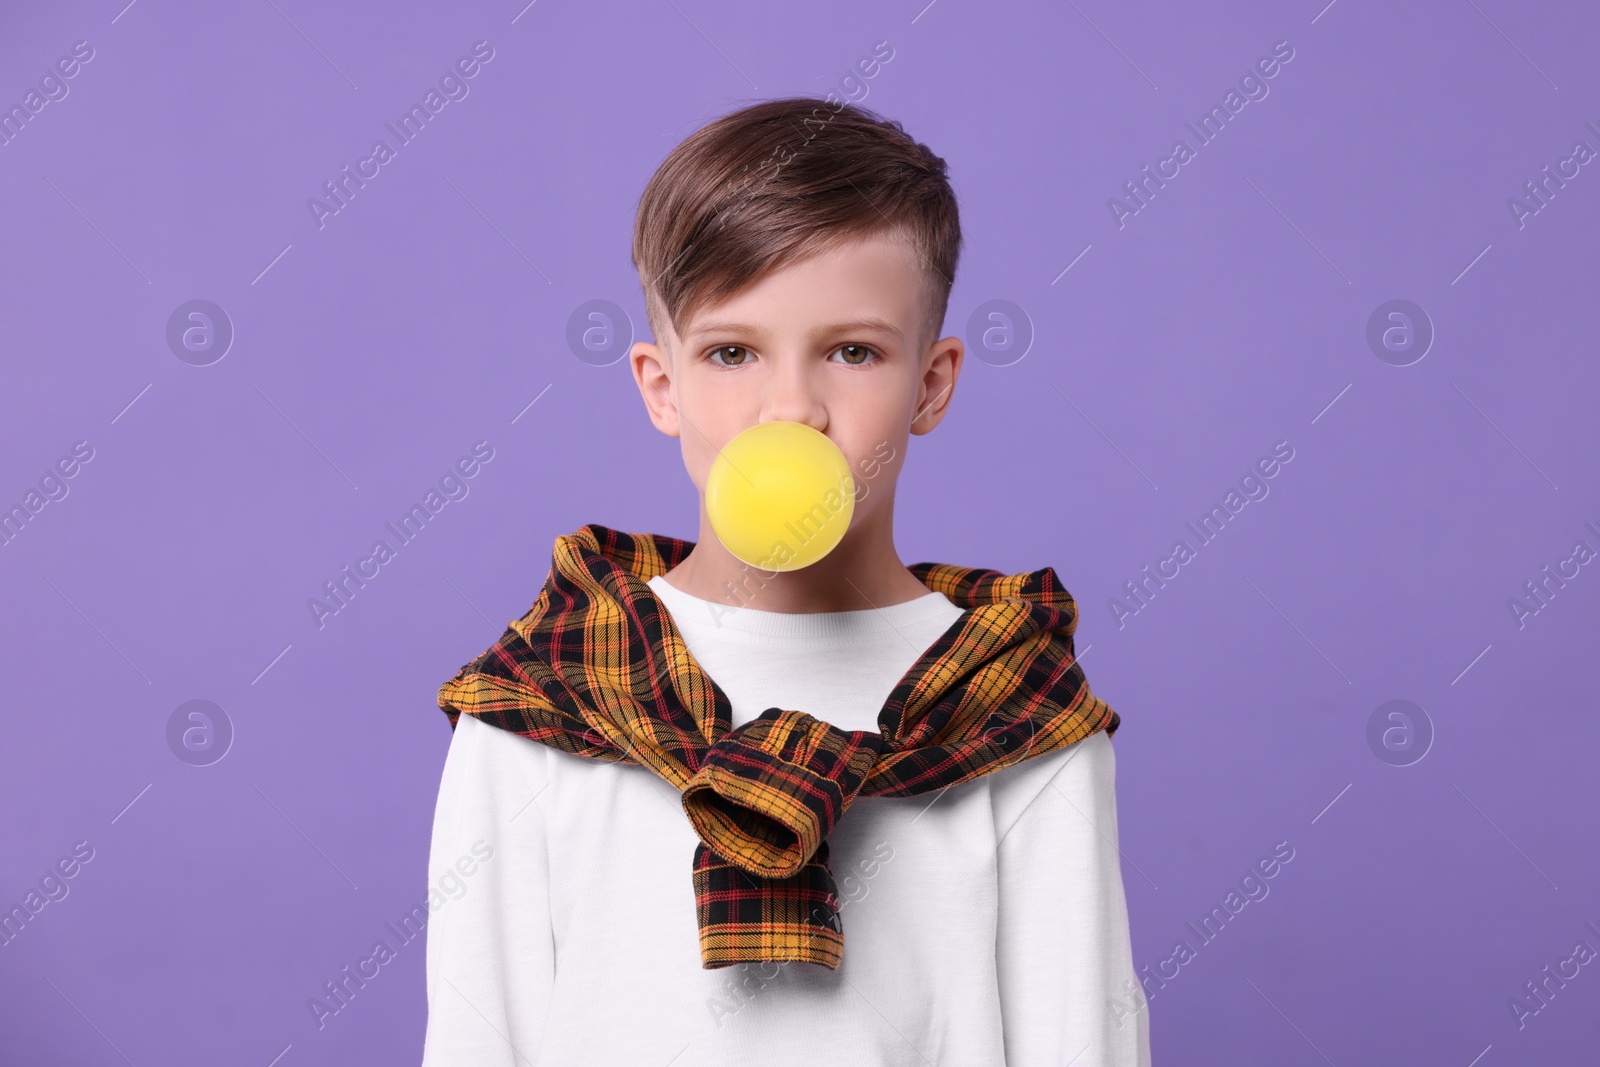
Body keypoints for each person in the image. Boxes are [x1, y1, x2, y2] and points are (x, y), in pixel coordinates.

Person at [421, 96, 1150, 1066]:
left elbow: (1081, 1042)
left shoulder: (1020, 715)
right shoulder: (535, 707)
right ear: (660, 385)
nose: (791, 408)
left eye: (853, 351)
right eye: (731, 352)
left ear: (930, 383)